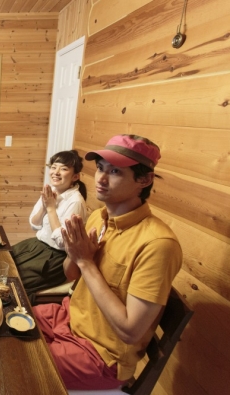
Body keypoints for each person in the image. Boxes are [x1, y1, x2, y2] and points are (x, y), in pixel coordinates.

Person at [32, 135, 182, 390]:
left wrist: (86, 262)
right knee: (10, 321)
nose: (101, 178)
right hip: (69, 318)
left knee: (23, 361)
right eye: (100, 168)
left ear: (144, 180)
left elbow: (130, 331)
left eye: (114, 172)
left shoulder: (158, 244)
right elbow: (69, 274)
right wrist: (74, 253)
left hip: (102, 354)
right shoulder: (97, 218)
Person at [11, 150, 87, 303]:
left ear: (75, 176)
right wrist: (45, 206)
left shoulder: (75, 202)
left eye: (64, 168)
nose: (56, 172)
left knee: (15, 281)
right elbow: (34, 223)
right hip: (36, 245)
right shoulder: (50, 191)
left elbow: (63, 242)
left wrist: (51, 208)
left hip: (55, 258)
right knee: (4, 260)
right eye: (53, 167)